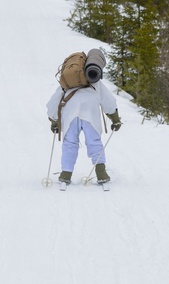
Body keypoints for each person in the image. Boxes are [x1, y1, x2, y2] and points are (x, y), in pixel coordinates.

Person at [46, 49, 121, 187]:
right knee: (94, 142)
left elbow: (54, 102)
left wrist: (54, 121)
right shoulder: (95, 81)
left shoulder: (67, 82)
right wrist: (115, 119)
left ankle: (66, 175)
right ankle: (101, 173)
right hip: (90, 112)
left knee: (70, 143)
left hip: (70, 113)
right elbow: (108, 101)